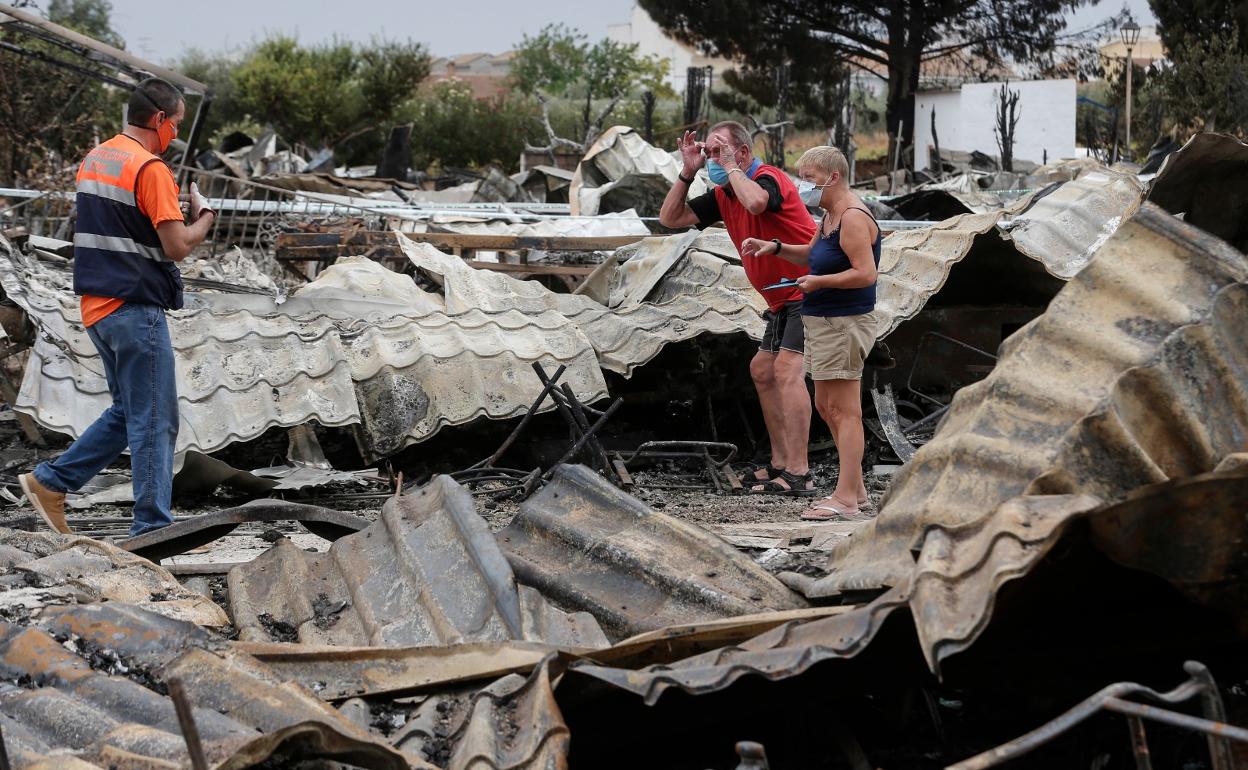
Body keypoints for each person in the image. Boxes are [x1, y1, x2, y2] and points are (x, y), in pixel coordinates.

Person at [18, 77, 217, 537]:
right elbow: (177, 247)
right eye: (176, 125)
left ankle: (50, 483)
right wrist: (204, 216)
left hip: (98, 309)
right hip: (134, 309)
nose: (175, 137)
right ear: (160, 119)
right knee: (155, 421)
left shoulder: (97, 158)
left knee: (129, 413)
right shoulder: (150, 170)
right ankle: (151, 528)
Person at [659, 121, 818, 496]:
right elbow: (670, 219)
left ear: (743, 153)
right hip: (781, 299)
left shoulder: (768, 179)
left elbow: (758, 203)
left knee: (786, 371)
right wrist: (687, 172)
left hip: (809, 289)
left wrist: (730, 165)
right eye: (710, 154)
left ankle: (800, 472)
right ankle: (780, 461)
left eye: (719, 151)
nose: (712, 160)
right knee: (761, 370)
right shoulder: (723, 194)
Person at [741, 146, 879, 520]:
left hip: (843, 321)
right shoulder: (829, 215)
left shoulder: (851, 216)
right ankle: (857, 491)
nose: (803, 185)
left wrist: (820, 283)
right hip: (823, 321)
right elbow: (812, 255)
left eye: (809, 177)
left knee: (844, 410)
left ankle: (846, 499)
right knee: (826, 406)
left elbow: (866, 274)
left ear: (832, 177)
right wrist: (775, 248)